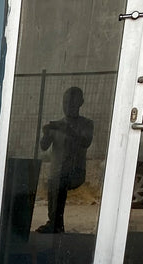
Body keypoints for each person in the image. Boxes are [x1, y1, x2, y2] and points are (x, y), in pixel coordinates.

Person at [38, 86, 94, 234]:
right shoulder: (58, 125)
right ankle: (55, 224)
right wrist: (46, 134)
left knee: (58, 182)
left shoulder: (86, 124)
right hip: (57, 173)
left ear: (80, 103)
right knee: (55, 182)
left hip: (75, 172)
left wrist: (66, 129)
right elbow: (43, 147)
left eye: (72, 103)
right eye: (65, 102)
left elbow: (85, 142)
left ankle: (55, 223)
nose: (68, 106)